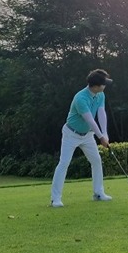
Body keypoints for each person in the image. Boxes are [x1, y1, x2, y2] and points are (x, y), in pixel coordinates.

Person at [50, 69, 113, 207]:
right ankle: (55, 199)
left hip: (87, 135)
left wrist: (105, 134)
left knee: (96, 161)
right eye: (104, 84)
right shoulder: (80, 98)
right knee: (64, 163)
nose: (105, 86)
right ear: (96, 86)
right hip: (71, 134)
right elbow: (90, 119)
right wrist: (101, 137)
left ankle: (98, 193)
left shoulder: (100, 94)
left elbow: (101, 113)